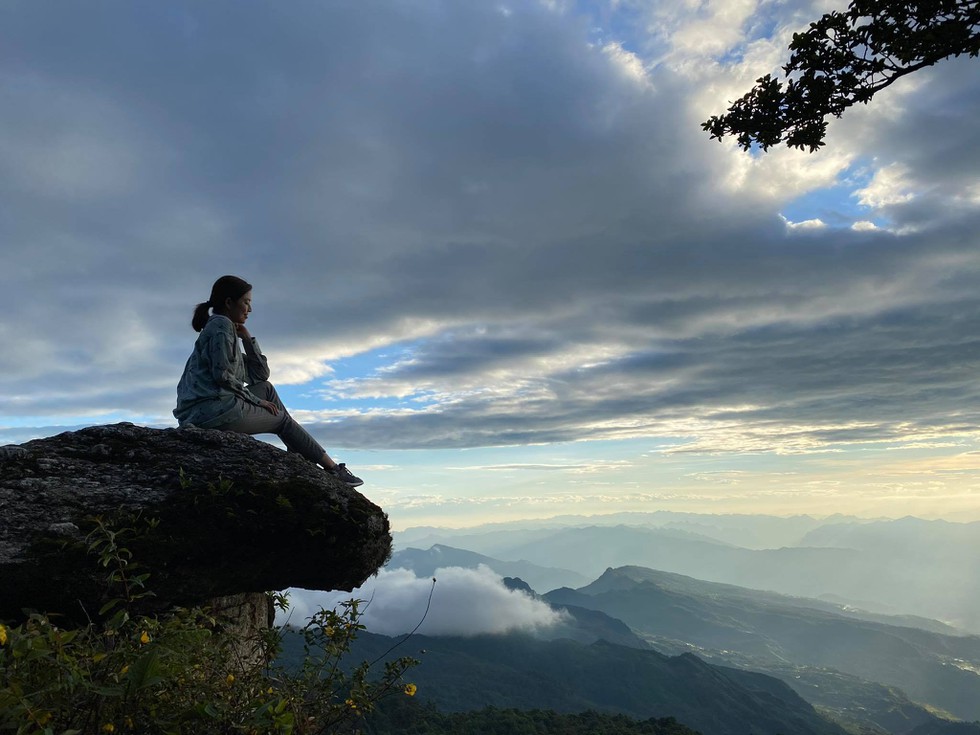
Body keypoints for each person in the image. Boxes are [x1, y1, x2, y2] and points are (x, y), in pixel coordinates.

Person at [174, 275, 363, 487]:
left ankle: (299, 451)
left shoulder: (220, 328)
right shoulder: (222, 328)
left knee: (266, 389)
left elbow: (261, 375)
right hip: (212, 413)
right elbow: (222, 375)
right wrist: (257, 402)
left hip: (208, 408)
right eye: (246, 302)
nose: (249, 309)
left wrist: (247, 338)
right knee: (282, 420)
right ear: (229, 303)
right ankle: (333, 470)